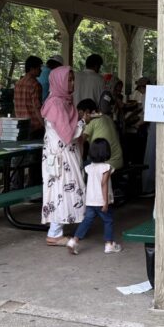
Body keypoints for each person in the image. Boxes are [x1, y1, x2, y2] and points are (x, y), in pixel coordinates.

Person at [40, 66, 86, 245]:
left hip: (66, 155)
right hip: (61, 157)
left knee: (65, 190)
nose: (72, 83)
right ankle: (54, 233)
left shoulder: (64, 101)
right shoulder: (56, 104)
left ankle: (57, 228)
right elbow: (68, 134)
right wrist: (83, 122)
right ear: (59, 81)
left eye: (73, 79)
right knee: (60, 190)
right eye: (69, 79)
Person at [66, 138, 121, 255]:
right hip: (101, 201)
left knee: (87, 221)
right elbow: (103, 184)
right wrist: (105, 202)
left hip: (90, 201)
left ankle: (74, 241)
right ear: (106, 152)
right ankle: (109, 244)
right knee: (108, 221)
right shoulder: (106, 167)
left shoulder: (89, 168)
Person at [78, 98, 124, 173]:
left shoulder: (91, 121)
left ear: (87, 112)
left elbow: (80, 142)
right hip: (118, 162)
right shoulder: (107, 117)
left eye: (80, 113)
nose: (79, 117)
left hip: (107, 164)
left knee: (79, 167)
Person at [13, 56, 45, 137]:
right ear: (31, 68)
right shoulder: (35, 85)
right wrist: (45, 125)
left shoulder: (18, 84)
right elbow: (37, 108)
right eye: (39, 68)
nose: (41, 70)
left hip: (20, 126)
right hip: (35, 128)